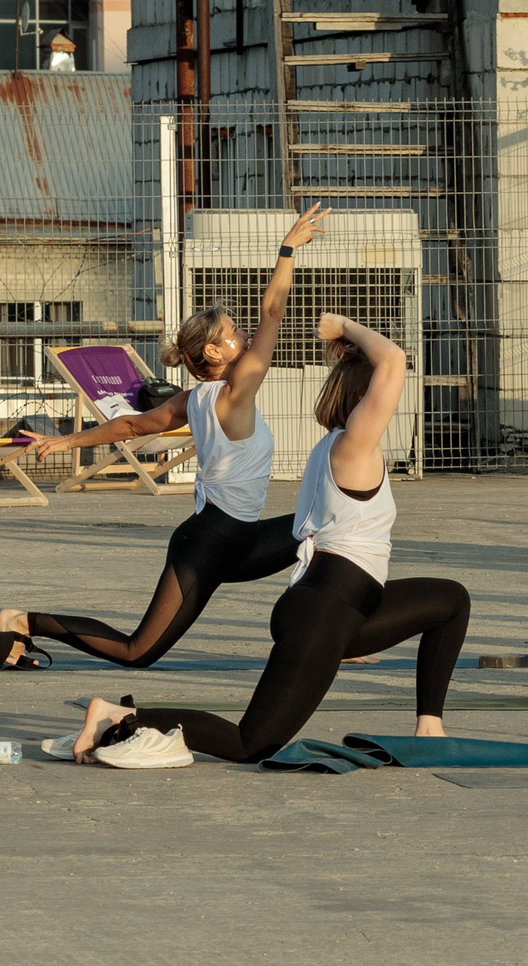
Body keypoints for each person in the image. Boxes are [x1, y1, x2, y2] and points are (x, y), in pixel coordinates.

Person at [67, 312, 471, 768]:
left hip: (343, 608)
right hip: (324, 610)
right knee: (250, 743)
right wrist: (345, 326)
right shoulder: (354, 446)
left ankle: (430, 725)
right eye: (383, 397)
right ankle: (119, 717)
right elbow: (393, 360)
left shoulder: (332, 446)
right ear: (364, 399)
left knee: (450, 600)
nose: (391, 402)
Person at [3, 205, 327, 666]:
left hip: (238, 540)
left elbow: (133, 425)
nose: (244, 337)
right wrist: (288, 249)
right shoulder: (235, 391)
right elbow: (272, 310)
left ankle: (335, 636)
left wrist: (68, 441)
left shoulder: (194, 399)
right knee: (138, 652)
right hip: (210, 542)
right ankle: (25, 622)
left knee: (324, 528)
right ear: (214, 350)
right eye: (235, 333)